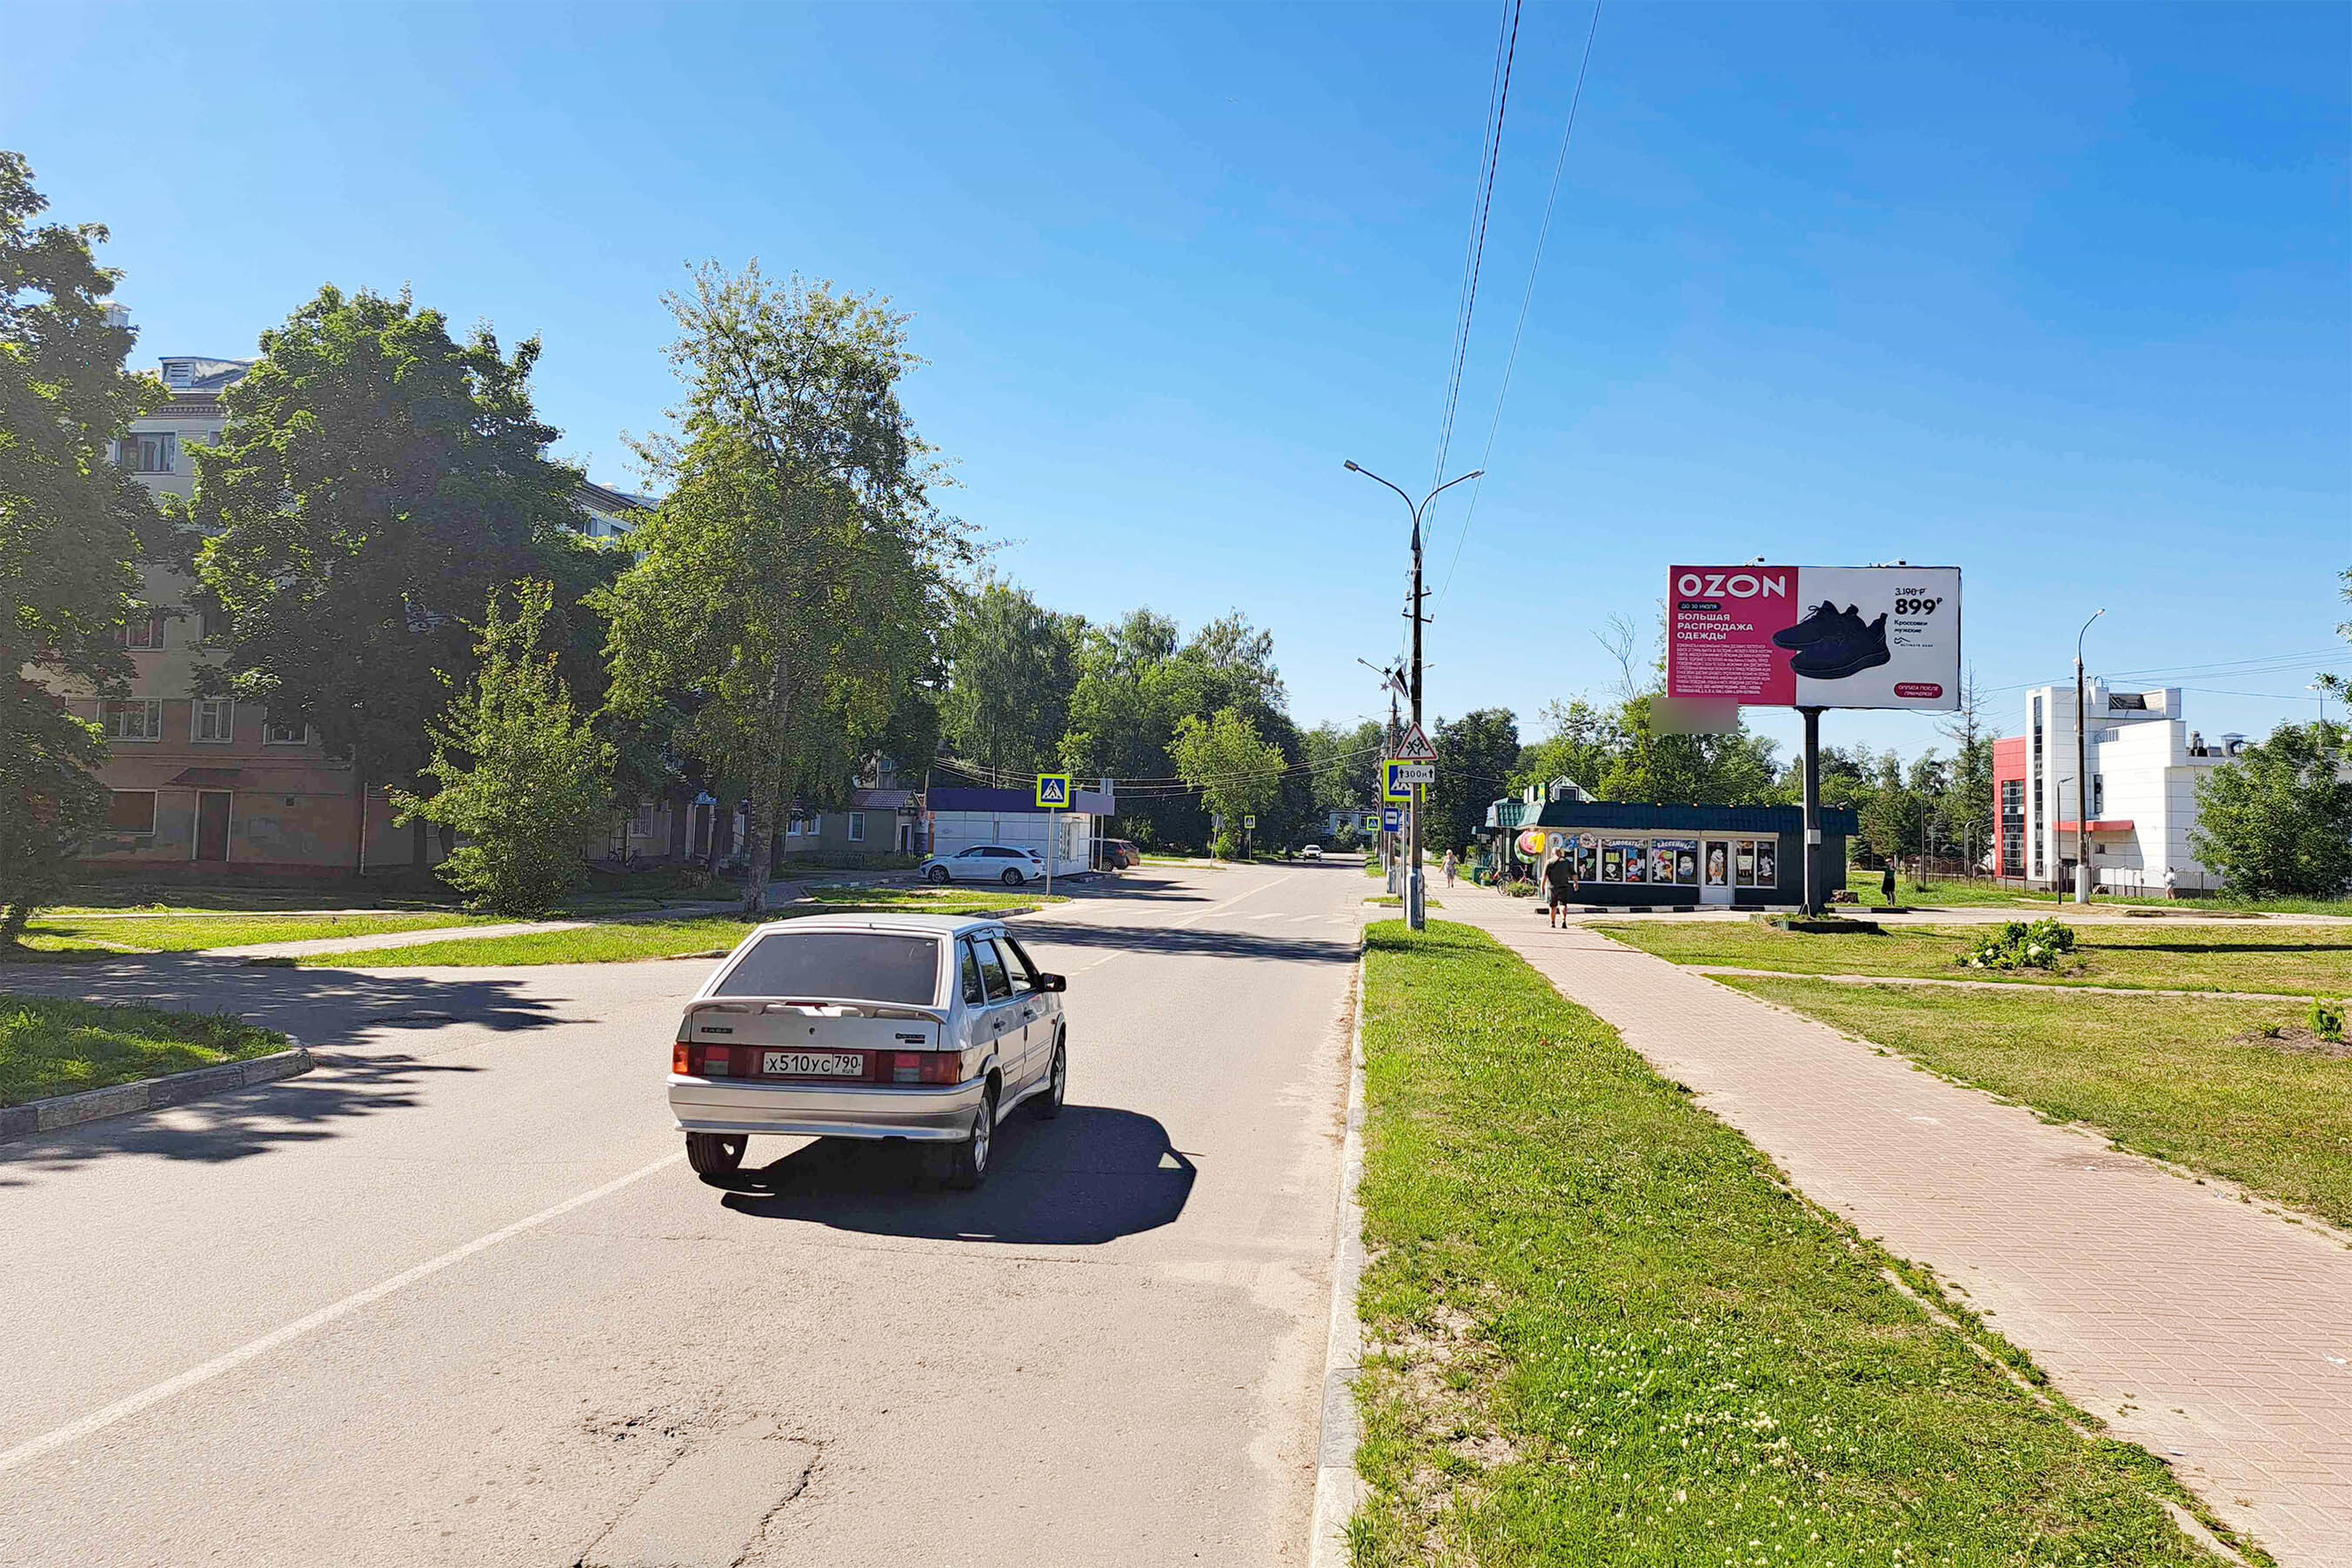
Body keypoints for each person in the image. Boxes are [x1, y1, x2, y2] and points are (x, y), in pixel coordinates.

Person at [1544, 850, 1576, 928]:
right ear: (1560, 853)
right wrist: (1576, 883)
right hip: (1564, 886)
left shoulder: (1549, 862)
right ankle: (1563, 920)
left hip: (1552, 887)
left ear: (1552, 853)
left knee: (1553, 906)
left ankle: (1552, 922)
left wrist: (1542, 886)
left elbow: (1545, 876)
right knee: (1563, 904)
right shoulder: (1566, 862)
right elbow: (1573, 874)